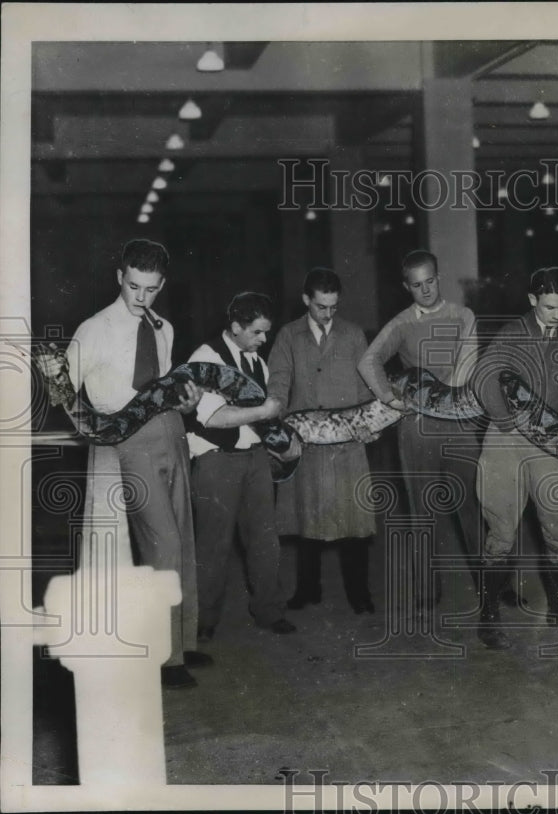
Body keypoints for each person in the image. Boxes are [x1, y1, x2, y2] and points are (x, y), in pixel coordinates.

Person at [67, 238, 208, 689]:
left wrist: (187, 403)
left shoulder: (162, 327)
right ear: (119, 277)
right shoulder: (93, 329)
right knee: (161, 542)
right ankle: (164, 658)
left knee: (183, 540)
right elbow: (62, 391)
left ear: (162, 284)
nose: (140, 298)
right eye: (133, 287)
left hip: (171, 432)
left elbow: (164, 383)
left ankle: (183, 642)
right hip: (128, 441)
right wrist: (93, 428)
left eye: (150, 289)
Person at [473, 266, 558, 650]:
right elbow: (482, 377)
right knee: (503, 532)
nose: (556, 314)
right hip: (506, 438)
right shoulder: (511, 334)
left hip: (553, 444)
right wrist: (503, 417)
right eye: (548, 306)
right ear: (532, 300)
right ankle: (489, 613)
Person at [357, 250, 480, 618]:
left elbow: (466, 366)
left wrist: (439, 395)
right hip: (416, 429)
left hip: (457, 423)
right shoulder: (400, 323)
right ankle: (428, 592)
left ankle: (491, 582)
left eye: (430, 282)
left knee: (473, 505)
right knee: (422, 511)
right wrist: (391, 399)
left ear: (438, 278)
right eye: (416, 285)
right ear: (406, 286)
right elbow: (368, 361)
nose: (424, 290)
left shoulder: (463, 315)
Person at [187, 292, 298, 643]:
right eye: (257, 332)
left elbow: (267, 419)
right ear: (236, 328)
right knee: (213, 546)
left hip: (254, 459)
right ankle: (203, 621)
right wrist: (264, 412)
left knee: (265, 540)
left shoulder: (256, 361)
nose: (264, 340)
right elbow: (214, 417)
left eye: (266, 332)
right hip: (215, 461)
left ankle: (269, 610)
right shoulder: (206, 358)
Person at [268, 268, 377, 615]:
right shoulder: (287, 336)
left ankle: (358, 593)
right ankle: (306, 590)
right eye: (320, 307)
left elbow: (366, 388)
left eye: (333, 307)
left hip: (348, 445)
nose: (328, 314)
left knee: (354, 525)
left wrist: (370, 425)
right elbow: (278, 385)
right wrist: (276, 426)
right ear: (306, 300)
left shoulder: (354, 334)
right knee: (307, 520)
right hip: (306, 445)